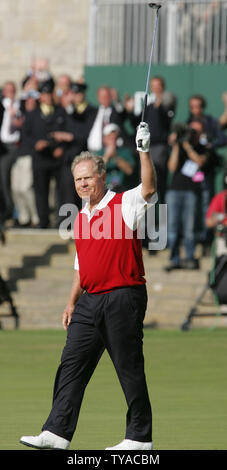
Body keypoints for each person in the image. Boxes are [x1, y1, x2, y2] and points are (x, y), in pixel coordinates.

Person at [20, 122, 157, 451]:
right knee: (72, 363)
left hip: (124, 296)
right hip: (89, 301)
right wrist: (71, 303)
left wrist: (143, 149)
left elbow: (149, 188)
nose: (82, 183)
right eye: (78, 179)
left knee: (128, 367)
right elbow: (82, 265)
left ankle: (139, 438)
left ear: (102, 177)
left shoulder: (124, 204)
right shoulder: (80, 216)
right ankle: (57, 432)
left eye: (88, 177)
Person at [165, 120, 210, 271]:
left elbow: (200, 162)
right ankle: (174, 259)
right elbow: (171, 167)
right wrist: (177, 146)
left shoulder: (203, 148)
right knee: (172, 227)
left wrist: (187, 146)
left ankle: (189, 258)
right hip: (174, 190)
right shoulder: (179, 146)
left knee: (189, 228)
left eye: (195, 132)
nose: (192, 134)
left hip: (191, 191)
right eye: (191, 131)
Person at [22, 80, 66, 228]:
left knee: (60, 190)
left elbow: (67, 132)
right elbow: (25, 135)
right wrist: (36, 144)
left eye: (49, 94)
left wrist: (61, 147)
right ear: (40, 96)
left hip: (56, 158)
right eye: (44, 94)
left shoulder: (60, 111)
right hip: (40, 158)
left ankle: (60, 220)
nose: (47, 97)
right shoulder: (33, 114)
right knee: (40, 190)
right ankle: (43, 220)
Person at [96, 123, 136, 192]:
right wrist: (106, 156)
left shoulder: (125, 151)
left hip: (122, 189)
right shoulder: (98, 154)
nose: (113, 139)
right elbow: (96, 172)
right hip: (104, 190)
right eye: (110, 137)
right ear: (104, 139)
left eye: (114, 137)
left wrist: (115, 156)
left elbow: (129, 171)